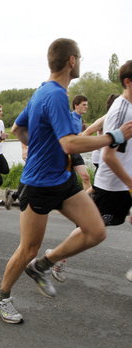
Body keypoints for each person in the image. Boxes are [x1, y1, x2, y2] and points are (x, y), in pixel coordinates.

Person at [0, 38, 132, 324]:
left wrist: (41, 148)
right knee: (28, 247)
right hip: (39, 185)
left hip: (63, 179)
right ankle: (1, 296)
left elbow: (19, 128)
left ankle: (43, 265)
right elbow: (69, 144)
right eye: (79, 58)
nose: (80, 62)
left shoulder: (42, 91)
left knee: (95, 231)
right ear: (71, 61)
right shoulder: (54, 95)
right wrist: (114, 136)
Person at [91, 60, 132, 282]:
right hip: (113, 183)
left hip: (128, 180)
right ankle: (56, 259)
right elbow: (108, 155)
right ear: (128, 82)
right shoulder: (120, 109)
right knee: (93, 231)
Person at [70, 95, 91, 191]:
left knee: (86, 177)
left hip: (75, 152)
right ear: (76, 105)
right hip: (66, 154)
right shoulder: (69, 117)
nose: (86, 106)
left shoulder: (80, 119)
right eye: (84, 104)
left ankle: (89, 202)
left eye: (86, 105)